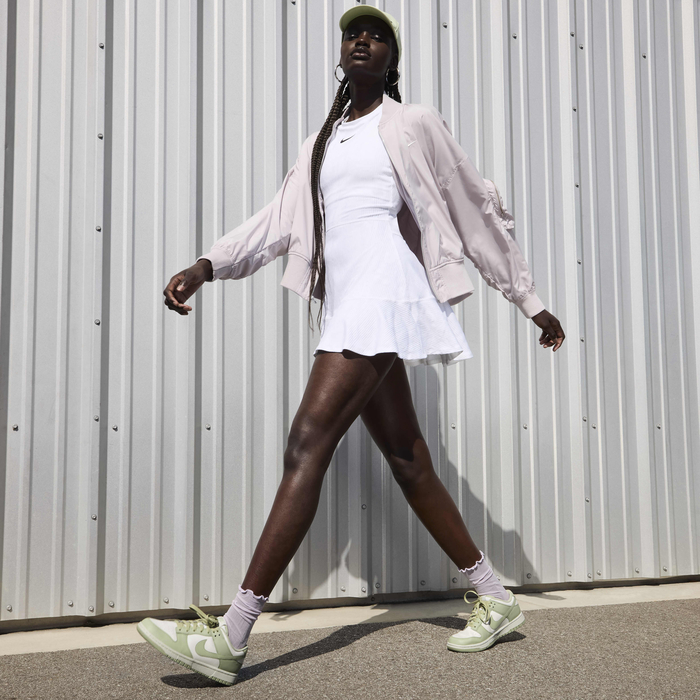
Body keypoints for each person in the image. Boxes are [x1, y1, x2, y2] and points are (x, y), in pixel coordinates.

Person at [137, 6, 566, 687]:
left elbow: (470, 205)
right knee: (408, 461)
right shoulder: (321, 142)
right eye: (353, 34)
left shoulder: (412, 122)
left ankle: (231, 634)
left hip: (384, 294)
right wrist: (207, 265)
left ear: (392, 58)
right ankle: (496, 596)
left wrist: (529, 299)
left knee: (306, 444)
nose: (362, 40)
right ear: (341, 54)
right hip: (350, 304)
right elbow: (277, 222)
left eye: (377, 35)